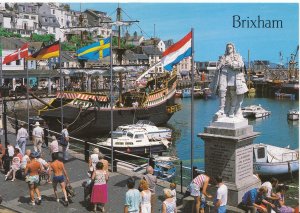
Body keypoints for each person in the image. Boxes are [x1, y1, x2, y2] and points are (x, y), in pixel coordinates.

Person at [210, 42, 248, 119]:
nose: (229, 49)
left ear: (233, 48)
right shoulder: (223, 57)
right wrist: (220, 66)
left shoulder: (237, 56)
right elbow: (219, 67)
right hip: (223, 74)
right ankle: (221, 109)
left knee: (233, 93)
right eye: (228, 47)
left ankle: (232, 110)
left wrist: (231, 64)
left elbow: (241, 65)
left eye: (230, 47)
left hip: (232, 76)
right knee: (221, 90)